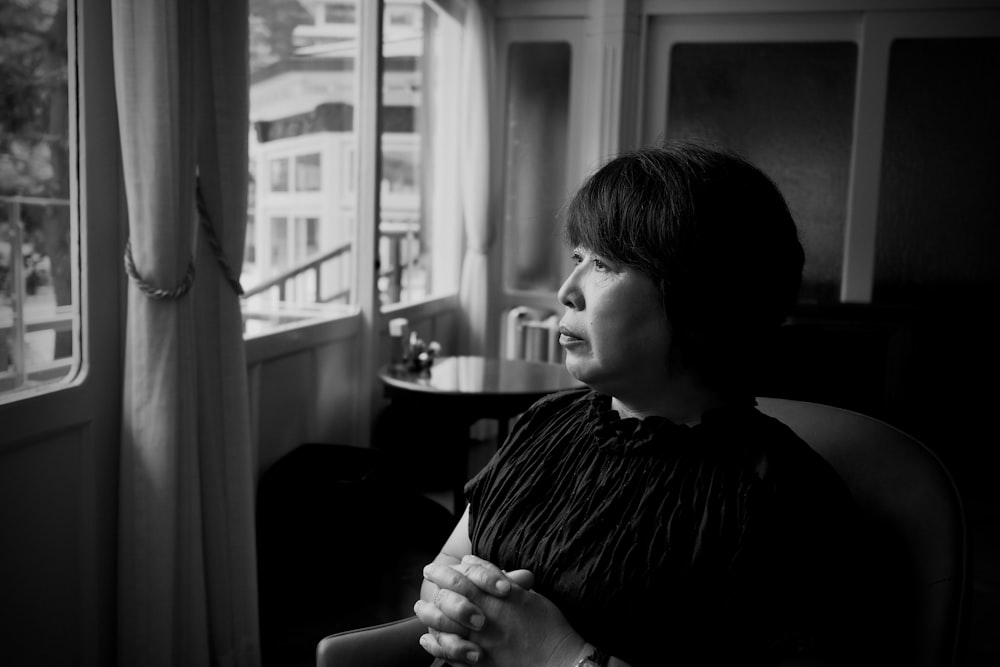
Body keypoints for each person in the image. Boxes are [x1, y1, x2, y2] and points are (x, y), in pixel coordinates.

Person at [413, 142, 862, 667]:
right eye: (577, 258)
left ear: (702, 294)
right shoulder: (545, 424)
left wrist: (557, 656)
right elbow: (447, 565)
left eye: (603, 264)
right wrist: (449, 608)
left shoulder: (783, 498)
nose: (566, 291)